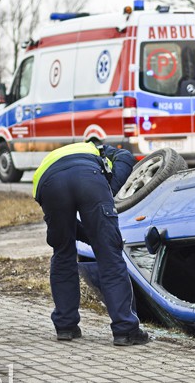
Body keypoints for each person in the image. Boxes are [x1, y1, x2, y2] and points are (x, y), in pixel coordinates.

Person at [32, 141, 149, 345]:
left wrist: (92, 235)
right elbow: (126, 157)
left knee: (62, 254)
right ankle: (125, 330)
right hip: (89, 179)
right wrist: (106, 199)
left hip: (48, 183)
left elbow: (68, 229)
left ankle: (65, 326)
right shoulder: (103, 151)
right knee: (110, 257)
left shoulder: (54, 158)